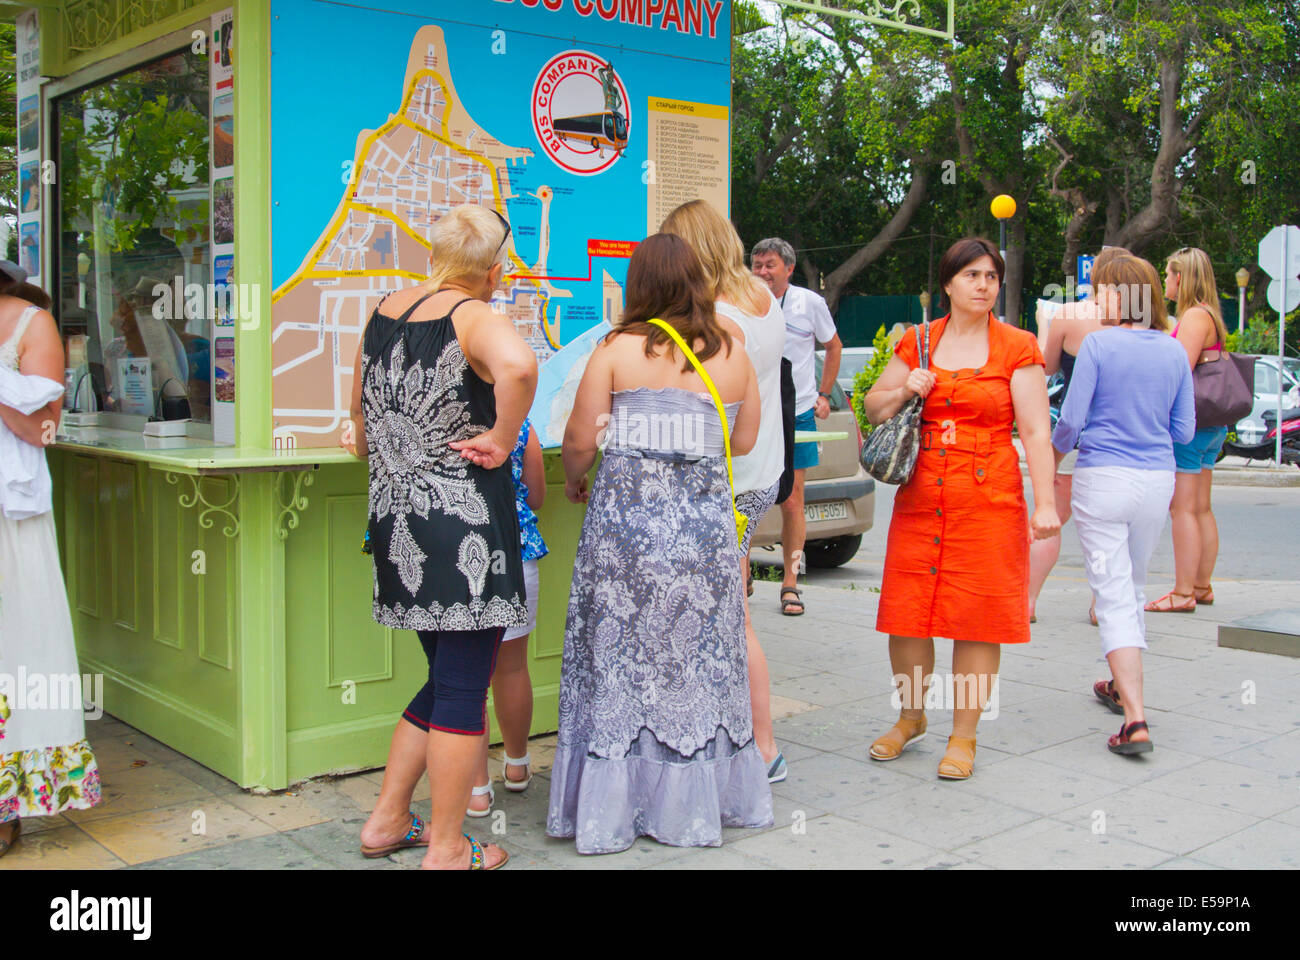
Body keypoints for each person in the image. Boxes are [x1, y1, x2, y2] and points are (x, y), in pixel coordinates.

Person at [549, 233, 772, 853]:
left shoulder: (616, 349)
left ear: (642, 284)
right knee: (697, 663)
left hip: (626, 540)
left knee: (619, 660)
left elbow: (580, 438)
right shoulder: (733, 350)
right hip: (704, 538)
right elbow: (746, 439)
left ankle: (617, 807)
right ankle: (695, 804)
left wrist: (574, 481)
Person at [343, 205, 538, 870]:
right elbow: (518, 367)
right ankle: (450, 848)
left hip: (400, 522)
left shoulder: (383, 311)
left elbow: (360, 425)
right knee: (461, 687)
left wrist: (383, 451)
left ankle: (388, 821)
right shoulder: (475, 314)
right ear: (493, 270)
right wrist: (503, 438)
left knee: (445, 678)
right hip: (466, 534)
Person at [863, 238, 1059, 780]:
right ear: (948, 284)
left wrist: (1047, 504)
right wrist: (907, 386)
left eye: (991, 276)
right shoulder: (918, 342)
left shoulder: (1017, 346)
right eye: (971, 275)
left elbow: (1037, 429)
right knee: (908, 617)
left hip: (988, 497)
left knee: (977, 621)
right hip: (922, 496)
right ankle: (910, 717)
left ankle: (964, 735)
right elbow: (874, 407)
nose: (983, 285)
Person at [661, 200, 788, 783]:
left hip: (728, 481)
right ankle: (742, 740)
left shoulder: (717, 317)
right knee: (730, 609)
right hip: (761, 473)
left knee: (732, 618)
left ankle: (761, 749)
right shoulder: (764, 298)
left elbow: (703, 412)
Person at [1051, 255, 1194, 754]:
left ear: (1122, 296)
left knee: (1111, 594)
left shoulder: (1097, 345)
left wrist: (1047, 463)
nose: (1093, 300)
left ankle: (1135, 719)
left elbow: (1069, 424)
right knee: (1130, 586)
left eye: (1100, 291)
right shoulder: (1174, 352)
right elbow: (1184, 431)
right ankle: (1119, 684)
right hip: (1157, 480)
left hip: (1104, 478)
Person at [0, 260, 102, 857]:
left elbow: (45, 428)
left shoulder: (32, 324)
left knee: (18, 646)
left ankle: (9, 802)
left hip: (10, 515)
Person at [1029, 246, 1132, 625]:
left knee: (1049, 518)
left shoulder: (1070, 316)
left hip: (1077, 435)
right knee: (1110, 528)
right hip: (1126, 440)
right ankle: (1099, 605)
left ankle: (1028, 602)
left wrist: (1044, 324)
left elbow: (1045, 368)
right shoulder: (1144, 324)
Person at [750, 237, 842, 616]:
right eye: (756, 265)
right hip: (757, 409)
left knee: (792, 498)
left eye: (770, 265)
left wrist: (824, 394)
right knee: (748, 492)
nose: (762, 273)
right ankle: (743, 572)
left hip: (798, 410)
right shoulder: (745, 300)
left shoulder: (810, 303)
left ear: (789, 268)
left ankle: (790, 582)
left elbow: (833, 346)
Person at [1145, 247, 1231, 614]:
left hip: (1192, 428)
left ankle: (1183, 592)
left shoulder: (1195, 317)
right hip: (1211, 426)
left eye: (1168, 274)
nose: (1165, 280)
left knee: (1182, 510)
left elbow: (1177, 368)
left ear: (1182, 277)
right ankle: (1201, 585)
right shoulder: (1210, 314)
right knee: (1200, 509)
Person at [469, 416, 546, 816]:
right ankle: (516, 766)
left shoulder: (441, 416)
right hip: (513, 555)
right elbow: (535, 498)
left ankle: (477, 788)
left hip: (455, 561)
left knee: (465, 679)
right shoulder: (519, 426)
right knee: (513, 668)